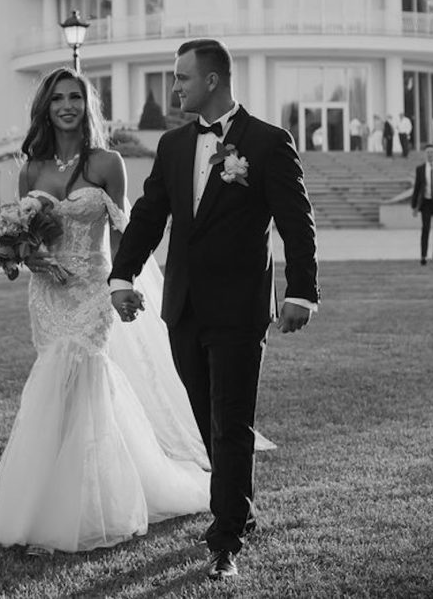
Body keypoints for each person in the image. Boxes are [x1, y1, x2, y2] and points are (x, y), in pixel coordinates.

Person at [108, 39, 320, 581]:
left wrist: (301, 292)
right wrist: (122, 275)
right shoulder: (174, 145)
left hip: (239, 308)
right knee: (207, 419)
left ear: (212, 80)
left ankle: (225, 541)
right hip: (183, 306)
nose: (174, 87)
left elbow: (296, 222)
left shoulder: (268, 142)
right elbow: (149, 214)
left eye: (182, 77)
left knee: (231, 423)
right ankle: (238, 509)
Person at [0, 67, 214, 555]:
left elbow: (124, 232)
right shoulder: (31, 169)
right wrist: (28, 257)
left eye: (74, 97)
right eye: (57, 99)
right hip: (48, 294)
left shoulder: (108, 162)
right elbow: (23, 237)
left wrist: (120, 285)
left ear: (87, 105)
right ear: (45, 108)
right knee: (55, 387)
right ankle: (44, 502)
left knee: (84, 375)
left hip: (92, 288)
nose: (66, 106)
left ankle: (93, 506)